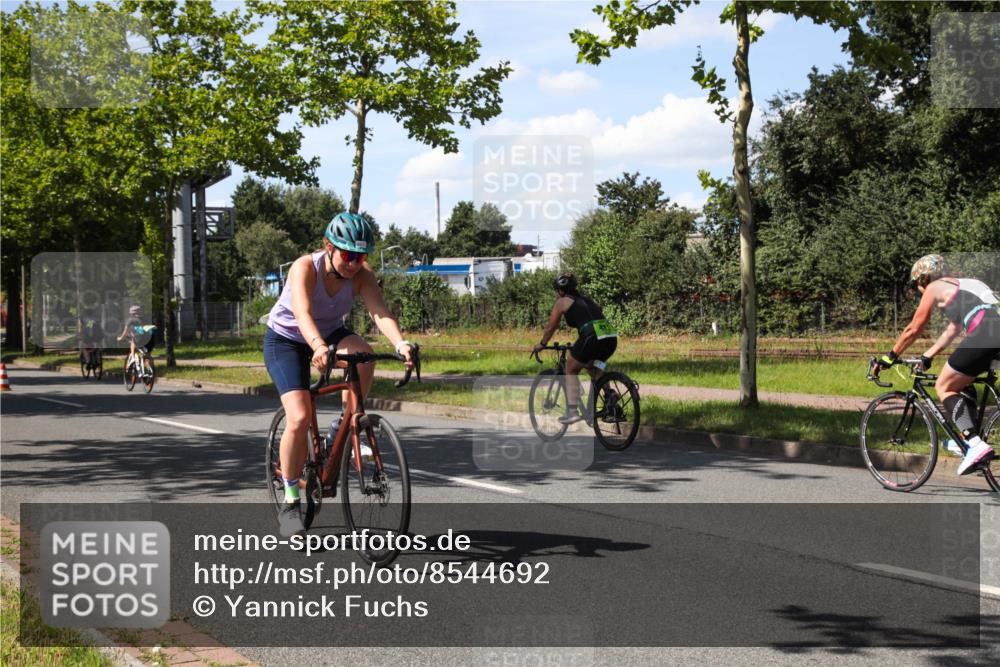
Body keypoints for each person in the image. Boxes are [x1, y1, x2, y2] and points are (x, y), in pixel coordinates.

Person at [264, 212, 415, 537]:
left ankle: (346, 423)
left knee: (364, 353)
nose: (353, 263)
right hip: (287, 339)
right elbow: (303, 314)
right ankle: (291, 502)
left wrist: (401, 343)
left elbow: (379, 312)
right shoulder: (305, 267)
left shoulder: (362, 275)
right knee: (300, 416)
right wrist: (317, 346)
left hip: (330, 333)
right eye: (347, 255)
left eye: (360, 257)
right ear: (328, 247)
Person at [875, 254, 1000, 475]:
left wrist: (890, 356)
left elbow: (914, 329)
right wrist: (928, 356)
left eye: (917, 286)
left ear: (923, 279)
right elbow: (953, 329)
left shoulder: (934, 287)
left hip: (986, 333)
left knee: (944, 386)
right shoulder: (968, 284)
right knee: (962, 382)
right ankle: (968, 439)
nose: (920, 292)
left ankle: (974, 444)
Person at [532, 273, 618, 424]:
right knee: (595, 365)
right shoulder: (587, 299)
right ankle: (609, 395)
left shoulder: (562, 301)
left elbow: (551, 326)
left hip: (592, 337)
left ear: (560, 290)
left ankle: (572, 411)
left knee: (570, 369)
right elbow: (592, 319)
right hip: (610, 337)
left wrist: (542, 344)